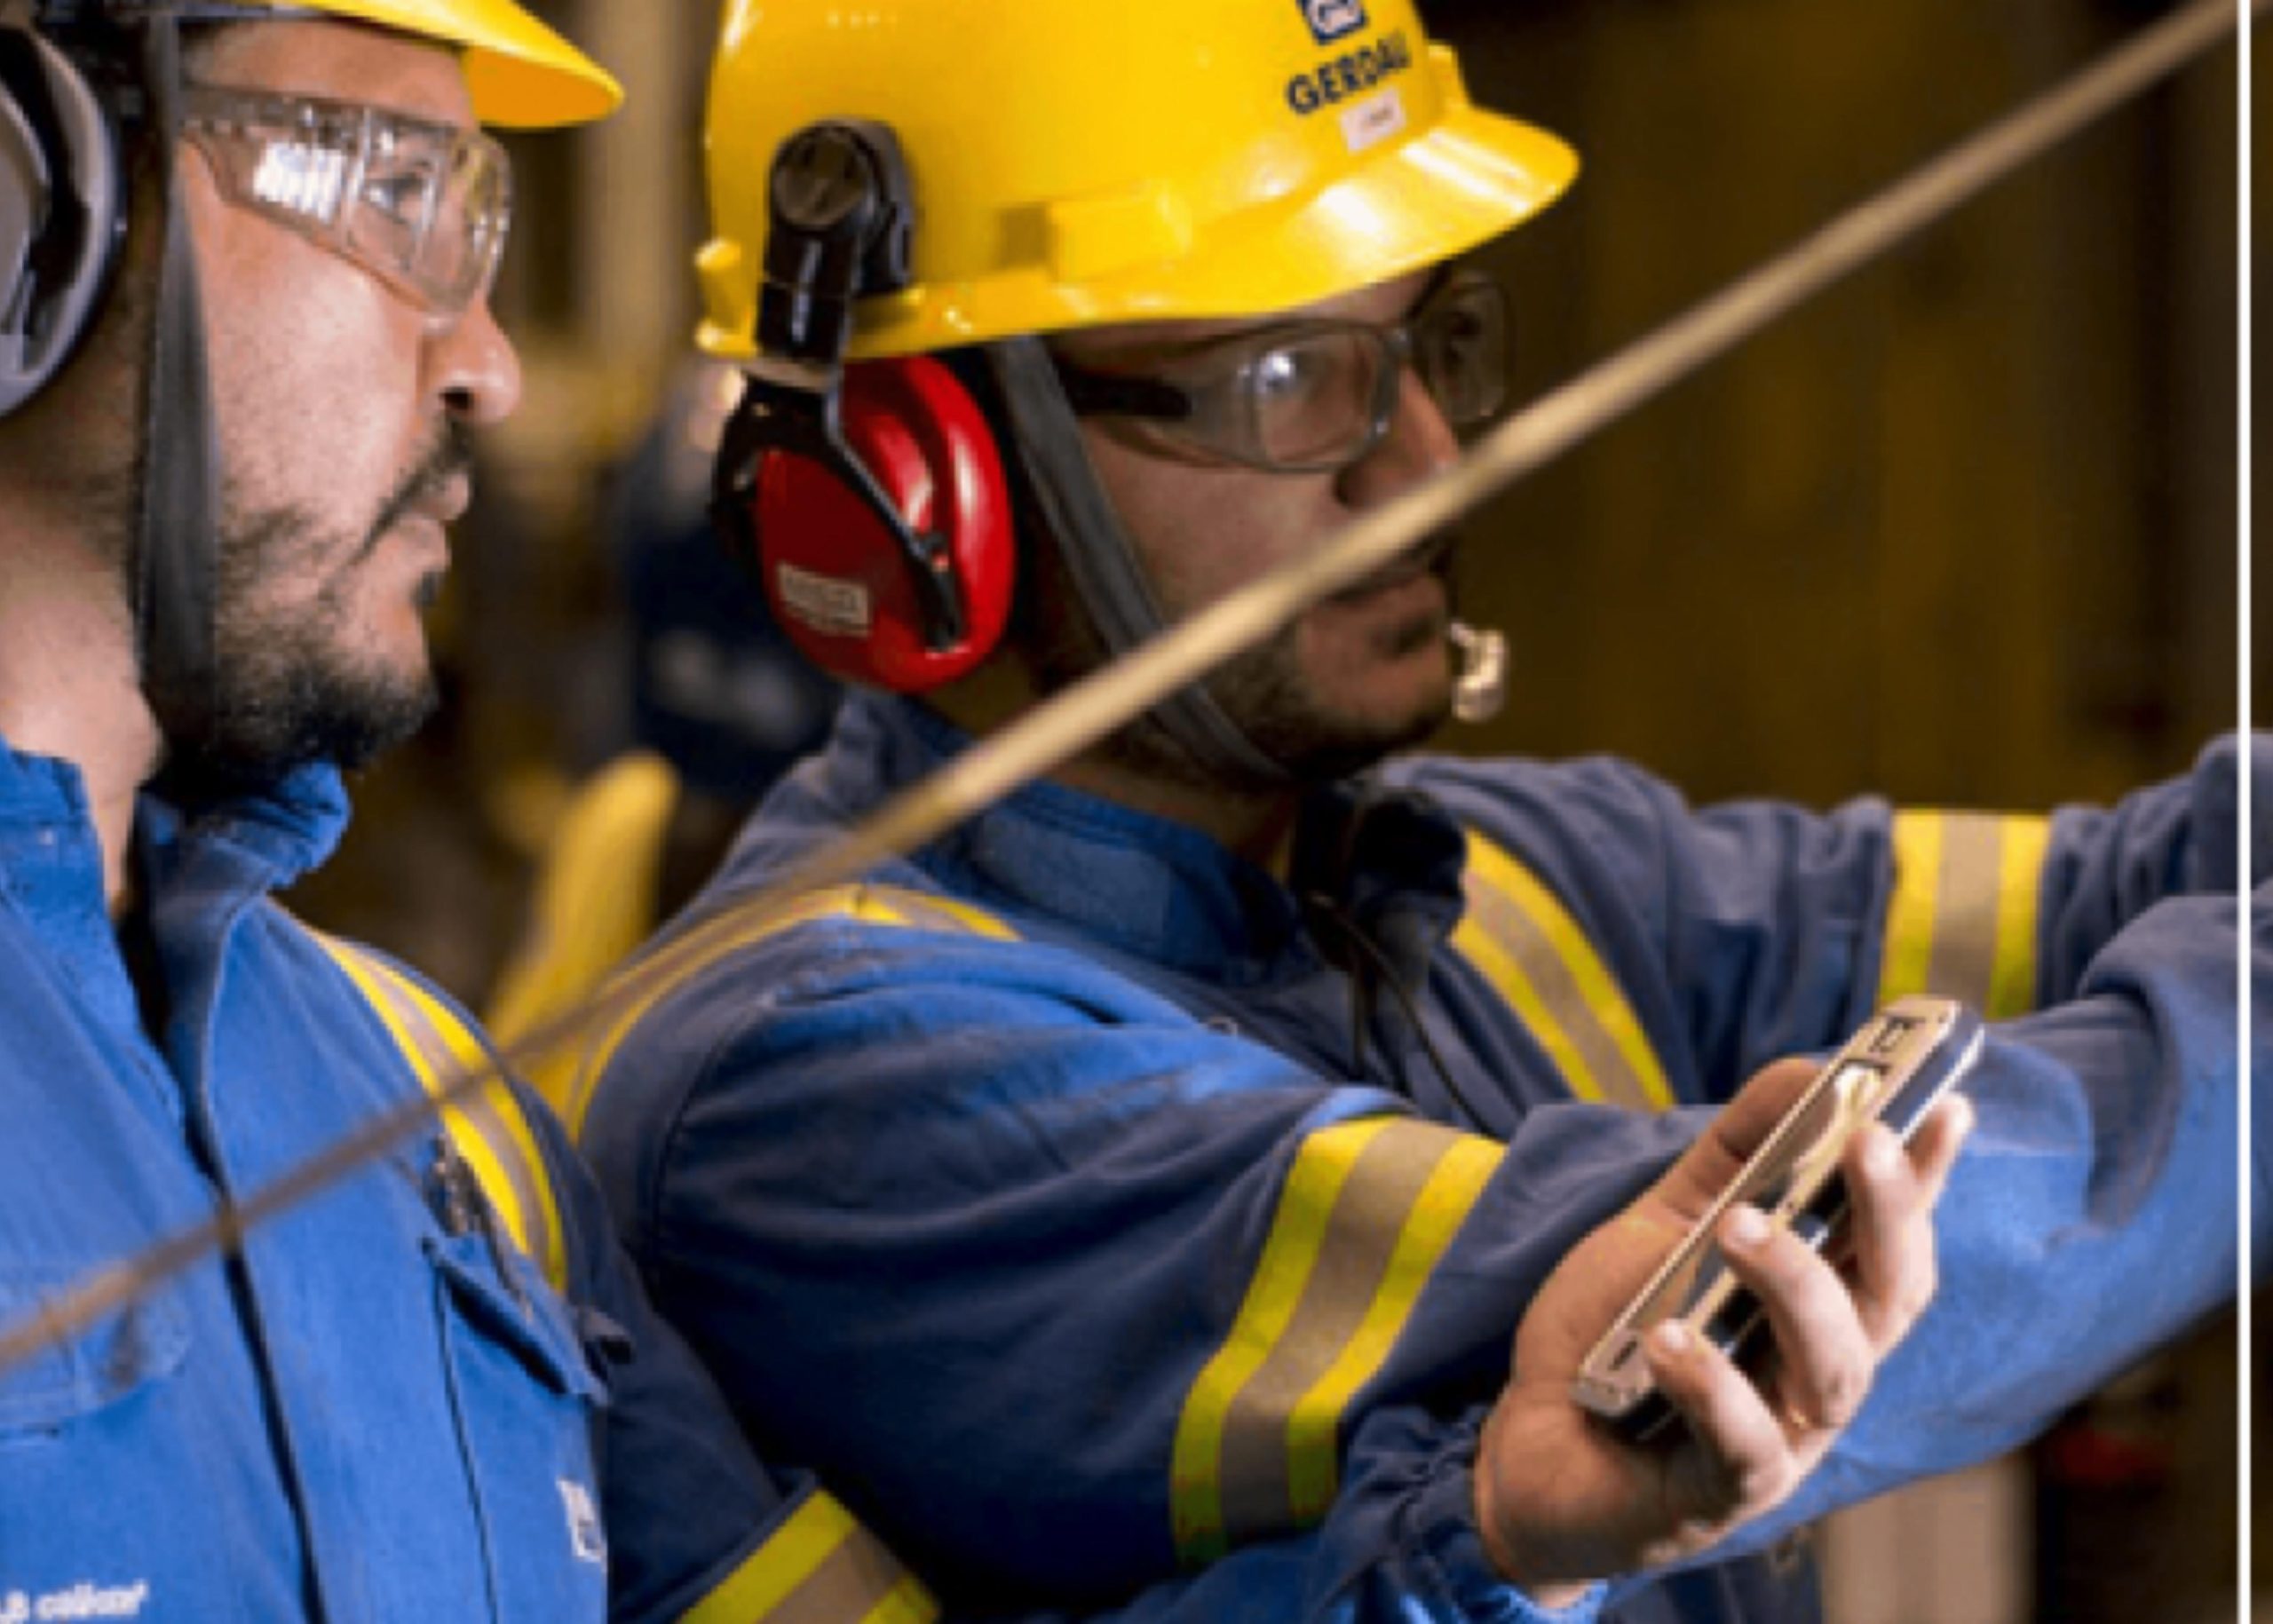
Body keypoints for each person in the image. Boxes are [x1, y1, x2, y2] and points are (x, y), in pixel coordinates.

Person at [572, 0, 2252, 1620]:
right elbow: (1760, 1304)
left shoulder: (1479, 865)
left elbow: (2146, 881)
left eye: (1431, 344)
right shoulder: (816, 1081)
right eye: (1288, 377)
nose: (1426, 459)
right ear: (930, 475)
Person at [0, 3, 935, 1617]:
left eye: (481, 220)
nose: (489, 365)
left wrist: (1486, 1530)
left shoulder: (434, 1105)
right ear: (29, 207)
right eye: (400, 195)